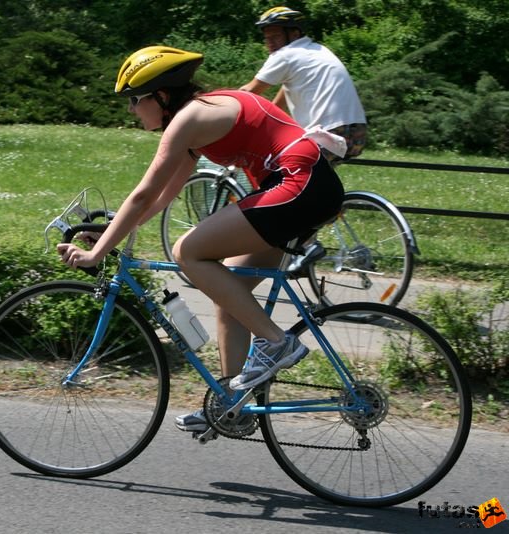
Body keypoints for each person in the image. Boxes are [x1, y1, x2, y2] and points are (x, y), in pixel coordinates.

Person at [56, 46, 345, 433]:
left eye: (134, 100)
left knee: (187, 251)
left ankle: (278, 343)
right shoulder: (197, 124)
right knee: (230, 292)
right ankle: (233, 405)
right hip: (304, 188)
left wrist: (95, 254)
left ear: (160, 95)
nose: (130, 110)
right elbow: (160, 199)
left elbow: (142, 194)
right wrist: (109, 233)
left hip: (298, 185)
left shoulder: (189, 119)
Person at [240, 6, 367, 164]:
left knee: (278, 170)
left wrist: (213, 105)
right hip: (357, 134)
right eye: (266, 38)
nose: (269, 43)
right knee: (312, 183)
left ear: (294, 34)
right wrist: (267, 122)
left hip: (330, 132)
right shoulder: (318, 50)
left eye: (275, 36)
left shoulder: (286, 54)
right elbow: (283, 96)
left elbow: (248, 92)